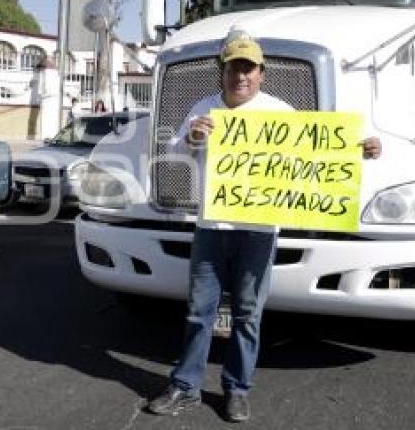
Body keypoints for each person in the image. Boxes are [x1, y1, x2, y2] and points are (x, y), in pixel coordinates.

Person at [147, 32, 381, 422]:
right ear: (222, 72)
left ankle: (237, 389)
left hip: (259, 232)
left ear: (261, 74)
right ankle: (185, 387)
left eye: (249, 68)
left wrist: (361, 148)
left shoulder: (280, 113)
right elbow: (172, 151)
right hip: (211, 228)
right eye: (234, 67)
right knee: (198, 312)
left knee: (247, 315)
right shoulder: (203, 109)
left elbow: (318, 152)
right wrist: (191, 137)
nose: (241, 76)